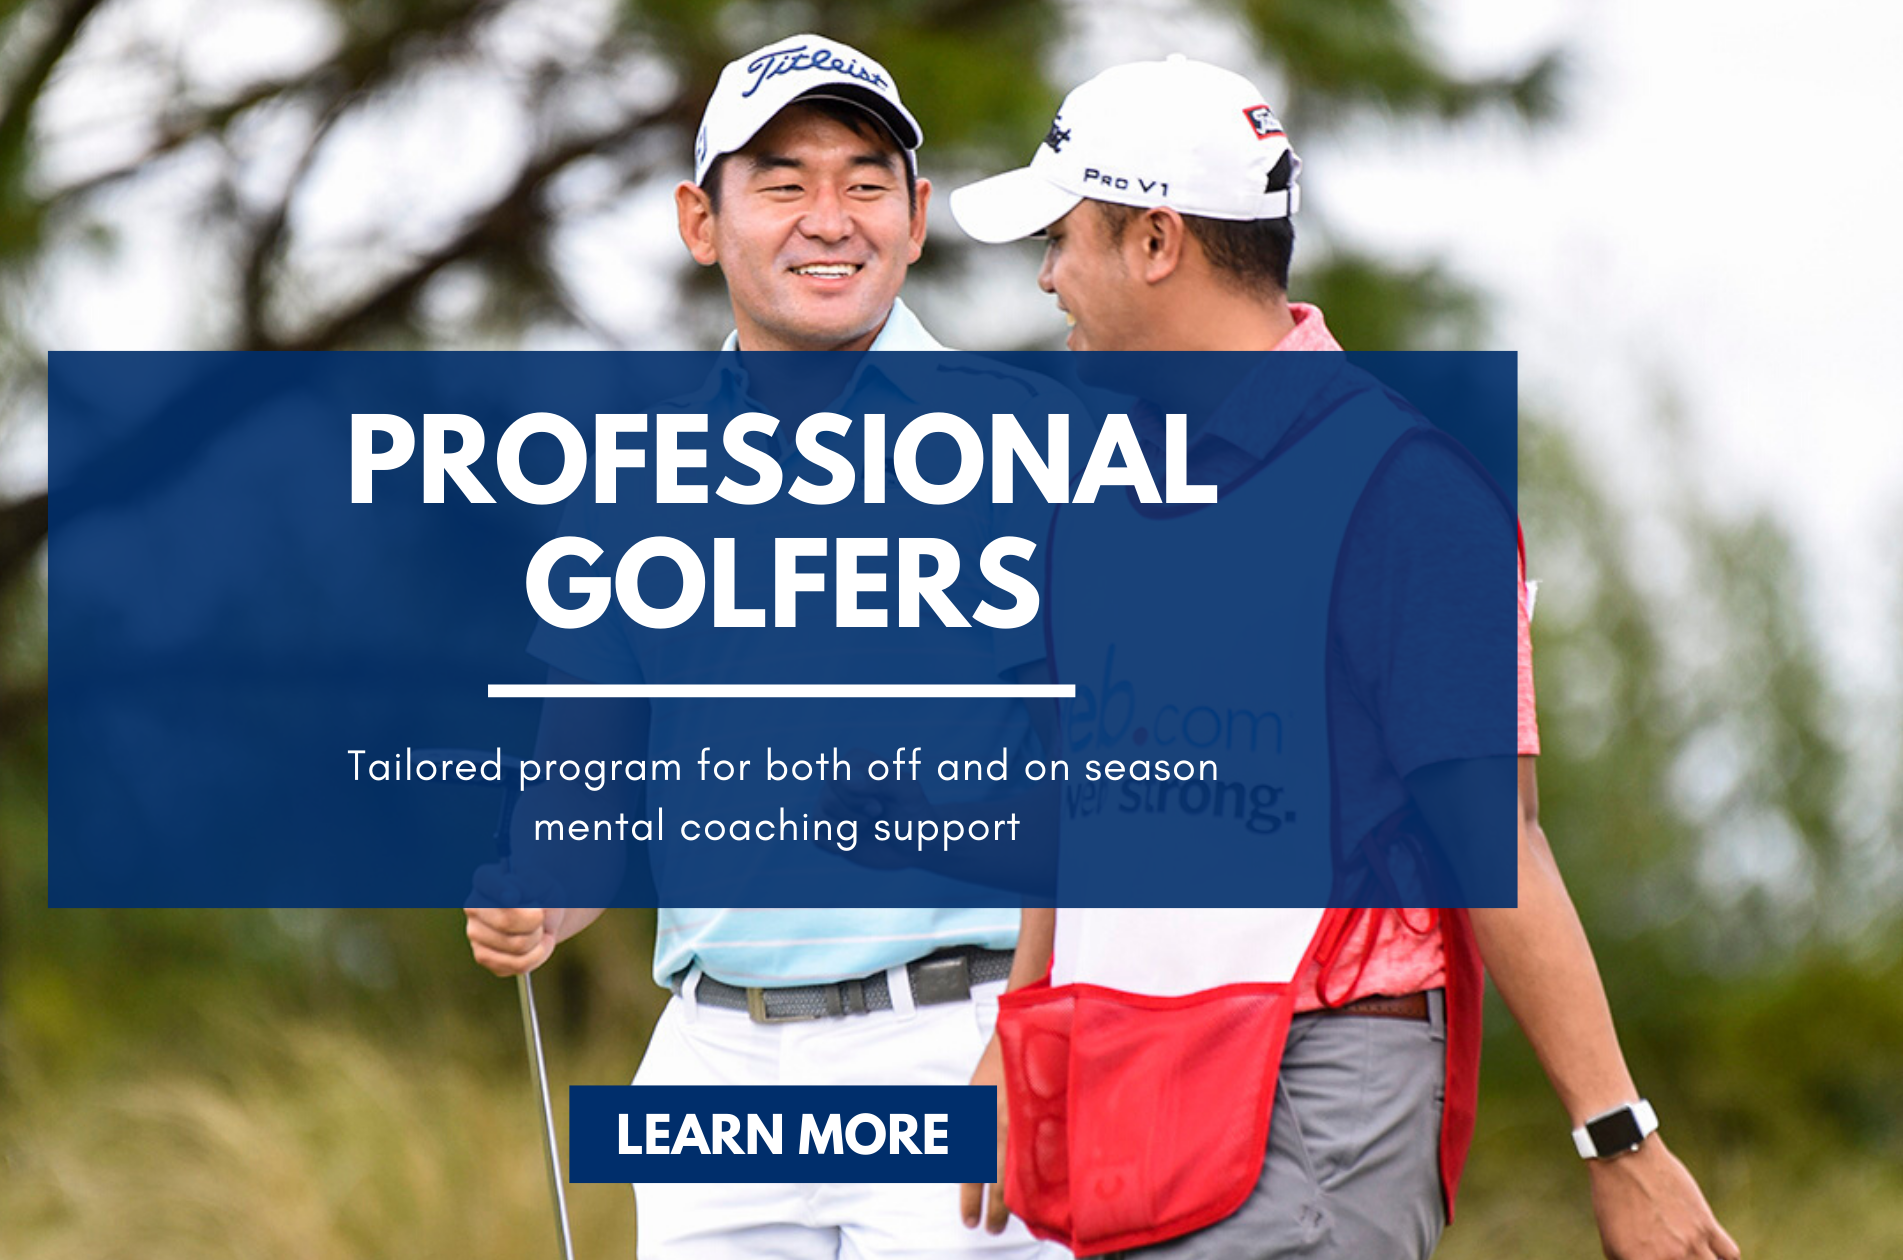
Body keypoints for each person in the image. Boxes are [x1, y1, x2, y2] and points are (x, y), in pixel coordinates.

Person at [943, 57, 1740, 1260]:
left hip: (1316, 1094)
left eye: (1059, 238)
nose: (1045, 274)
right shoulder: (1088, 488)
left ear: (1154, 241)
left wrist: (1617, 1141)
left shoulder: (1404, 491)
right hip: (1126, 1084)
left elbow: (1494, 839)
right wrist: (1019, 1028)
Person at [464, 33, 1067, 1260]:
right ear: (702, 222)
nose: (827, 220)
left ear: (915, 217)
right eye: (782, 184)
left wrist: (1038, 1028)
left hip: (955, 1038)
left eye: (863, 183)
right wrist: (537, 893)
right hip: (711, 1060)